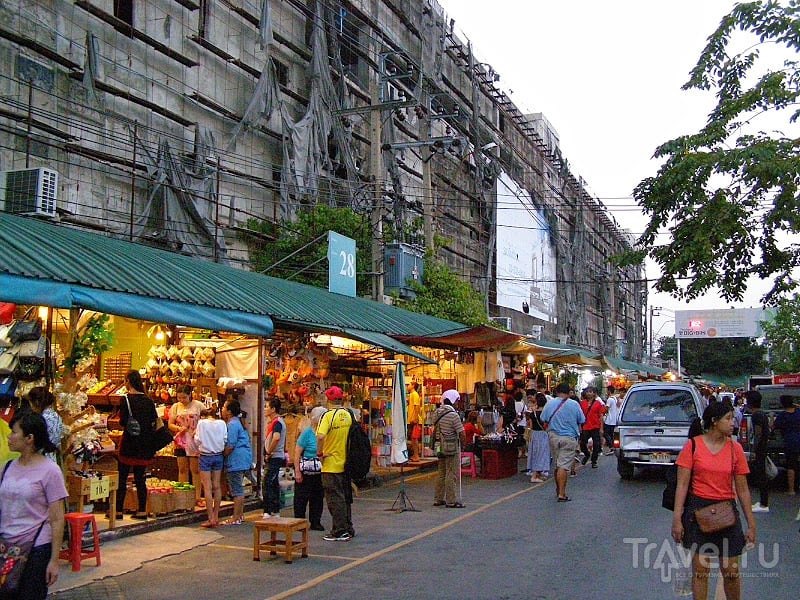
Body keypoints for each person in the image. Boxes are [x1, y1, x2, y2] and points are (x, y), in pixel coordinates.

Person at [671, 401, 755, 600]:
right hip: (698, 512)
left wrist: (751, 523)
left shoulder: (735, 449)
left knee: (731, 573)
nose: (733, 423)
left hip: (727, 514)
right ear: (714, 422)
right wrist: (677, 519)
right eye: (728, 418)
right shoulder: (692, 447)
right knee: (701, 572)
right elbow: (682, 486)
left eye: (732, 418)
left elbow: (742, 490)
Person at [0, 412, 68, 599]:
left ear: (29, 438)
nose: (9, 437)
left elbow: (56, 519)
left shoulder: (50, 471)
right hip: (7, 546)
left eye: (14, 432)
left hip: (36, 548)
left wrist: (54, 561)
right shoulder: (7, 467)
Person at [115, 370, 157, 521]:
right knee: (140, 479)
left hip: (129, 444)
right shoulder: (148, 400)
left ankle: (118, 511)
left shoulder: (125, 399)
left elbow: (122, 422)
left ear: (128, 381)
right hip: (144, 444)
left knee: (122, 477)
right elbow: (154, 421)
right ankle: (141, 511)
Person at [316, 386, 355, 541]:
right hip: (345, 463)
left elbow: (320, 437)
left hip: (331, 463)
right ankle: (348, 527)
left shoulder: (327, 416)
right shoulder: (348, 415)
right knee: (345, 497)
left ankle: (339, 530)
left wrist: (319, 453)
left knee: (334, 498)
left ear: (328, 399)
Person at [541, 382, 585, 502]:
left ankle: (558, 488)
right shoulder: (574, 404)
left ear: (556, 391)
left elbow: (543, 418)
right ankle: (562, 493)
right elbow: (582, 419)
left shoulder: (550, 403)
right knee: (563, 466)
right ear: (569, 392)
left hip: (553, 436)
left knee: (557, 464)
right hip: (569, 438)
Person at [168, 384, 204, 508]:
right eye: (179, 398)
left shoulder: (198, 405)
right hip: (180, 441)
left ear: (190, 395)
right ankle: (182, 495)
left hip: (194, 441)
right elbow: (170, 424)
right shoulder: (175, 407)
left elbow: (206, 420)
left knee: (195, 470)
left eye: (184, 397)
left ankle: (197, 497)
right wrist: (178, 428)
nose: (182, 400)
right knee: (182, 468)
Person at [431, 390, 466, 508]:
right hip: (451, 447)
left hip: (439, 446)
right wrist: (464, 445)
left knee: (441, 472)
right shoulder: (453, 415)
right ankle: (451, 500)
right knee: (451, 473)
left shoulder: (436, 413)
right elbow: (461, 433)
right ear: (451, 400)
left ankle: (438, 498)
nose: (457, 403)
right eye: (456, 401)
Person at [194, 406, 227, 528]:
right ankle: (216, 516)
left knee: (207, 487)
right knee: (217, 486)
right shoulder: (222, 423)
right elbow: (225, 439)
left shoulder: (201, 423)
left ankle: (210, 517)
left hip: (205, 456)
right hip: (218, 456)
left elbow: (197, 440)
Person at [221, 399, 252, 525]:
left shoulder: (232, 424)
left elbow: (230, 445)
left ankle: (236, 517)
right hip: (242, 459)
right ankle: (240, 515)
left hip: (236, 460)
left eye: (224, 407)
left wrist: (222, 455)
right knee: (238, 488)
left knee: (236, 490)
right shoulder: (237, 423)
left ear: (229, 411)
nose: (222, 409)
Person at [293, 412, 324, 531]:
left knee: (317, 498)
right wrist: (297, 471)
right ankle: (299, 521)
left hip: (318, 471)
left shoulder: (322, 433)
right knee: (301, 498)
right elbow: (297, 453)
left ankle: (315, 521)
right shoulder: (307, 433)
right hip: (305, 471)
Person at [745, 390, 771, 513]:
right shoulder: (762, 414)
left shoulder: (757, 416)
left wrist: (754, 450)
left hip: (760, 449)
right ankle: (762, 502)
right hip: (763, 448)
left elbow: (758, 434)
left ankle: (763, 504)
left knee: (761, 476)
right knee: (762, 475)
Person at [262, 397, 286, 519]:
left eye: (267, 406)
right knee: (273, 482)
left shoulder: (277, 423)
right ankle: (275, 510)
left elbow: (276, 438)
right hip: (276, 456)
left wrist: (269, 452)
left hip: (275, 456)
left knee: (267, 482)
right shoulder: (274, 422)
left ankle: (268, 510)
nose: (265, 409)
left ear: (273, 409)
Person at [26, 387, 63, 464]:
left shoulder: (41, 419)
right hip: (52, 457)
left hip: (41, 459)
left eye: (31, 404)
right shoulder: (55, 415)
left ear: (36, 402)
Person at [773, 394, 800, 496]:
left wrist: (771, 417)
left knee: (791, 465)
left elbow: (774, 426)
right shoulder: (798, 413)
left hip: (790, 442)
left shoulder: (783, 415)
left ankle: (791, 489)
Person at [579, 386, 605, 468]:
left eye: (591, 392)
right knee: (583, 443)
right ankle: (587, 454)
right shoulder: (582, 403)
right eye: (587, 392)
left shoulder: (598, 404)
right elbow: (579, 415)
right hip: (585, 426)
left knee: (596, 445)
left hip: (595, 426)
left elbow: (601, 416)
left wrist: (601, 428)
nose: (589, 393)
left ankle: (594, 461)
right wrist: (579, 426)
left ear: (594, 393)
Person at [527, 392, 551, 482]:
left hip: (534, 434)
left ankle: (538, 474)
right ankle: (534, 476)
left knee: (535, 454)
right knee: (542, 454)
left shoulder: (532, 413)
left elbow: (531, 426)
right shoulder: (546, 413)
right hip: (543, 434)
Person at [603, 385, 621, 455]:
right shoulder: (615, 398)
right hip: (614, 420)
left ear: (609, 391)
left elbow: (606, 409)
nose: (606, 392)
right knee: (610, 434)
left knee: (606, 433)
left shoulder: (610, 399)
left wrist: (603, 413)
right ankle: (612, 447)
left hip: (609, 420)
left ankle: (611, 447)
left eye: (607, 391)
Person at [406, 382, 422, 462]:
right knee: (413, 438)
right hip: (410, 419)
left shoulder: (415, 394)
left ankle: (416, 455)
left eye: (409, 384)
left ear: (413, 386)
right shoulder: (411, 395)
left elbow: (417, 407)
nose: (407, 386)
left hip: (413, 420)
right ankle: (415, 455)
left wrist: (415, 418)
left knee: (414, 438)